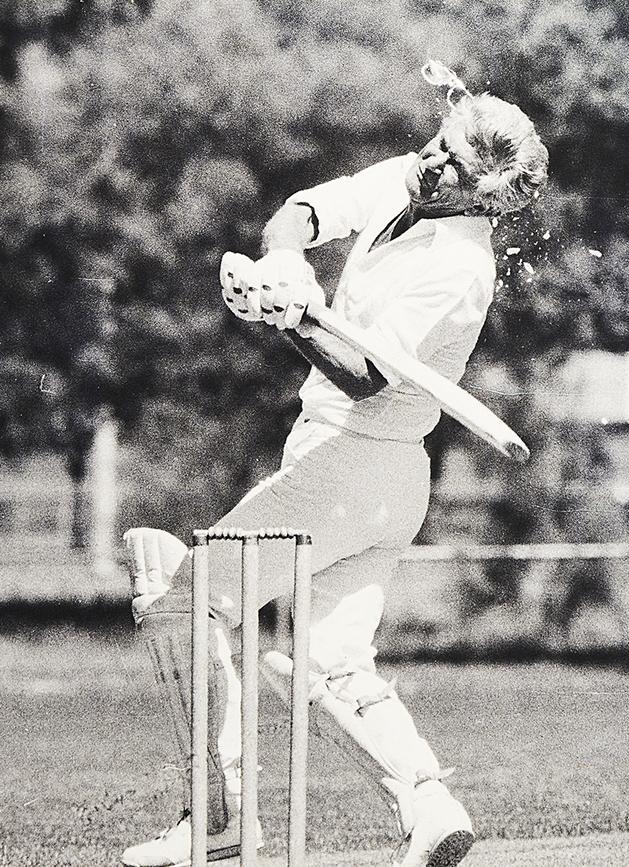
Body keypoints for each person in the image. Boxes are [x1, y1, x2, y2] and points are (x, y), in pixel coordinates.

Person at [121, 61, 548, 867]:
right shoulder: (410, 176)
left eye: (454, 167)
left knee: (187, 598)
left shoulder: (460, 268)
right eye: (439, 145)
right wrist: (286, 268)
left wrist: (288, 320)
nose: (432, 162)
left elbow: (364, 377)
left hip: (357, 460)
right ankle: (429, 806)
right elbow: (306, 211)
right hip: (374, 475)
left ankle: (217, 820)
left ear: (487, 195)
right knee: (326, 661)